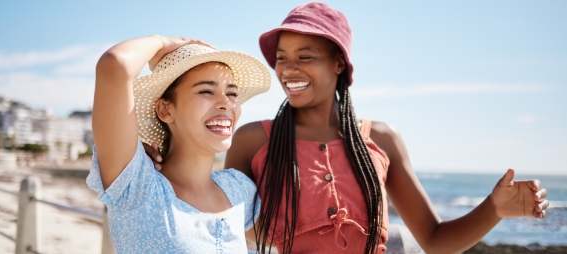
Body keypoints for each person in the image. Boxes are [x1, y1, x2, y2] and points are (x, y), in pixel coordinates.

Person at [146, 3, 550, 254]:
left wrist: (493, 210)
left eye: (306, 56)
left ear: (339, 63)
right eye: (283, 57)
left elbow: (436, 240)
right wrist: (164, 164)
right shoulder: (254, 139)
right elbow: (217, 218)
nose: (289, 69)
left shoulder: (381, 139)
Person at [86, 35, 271, 253]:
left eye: (232, 93)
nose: (226, 103)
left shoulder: (238, 190)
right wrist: (161, 42)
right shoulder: (138, 186)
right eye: (206, 91)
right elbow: (115, 64)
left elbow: (294, 235)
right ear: (165, 110)